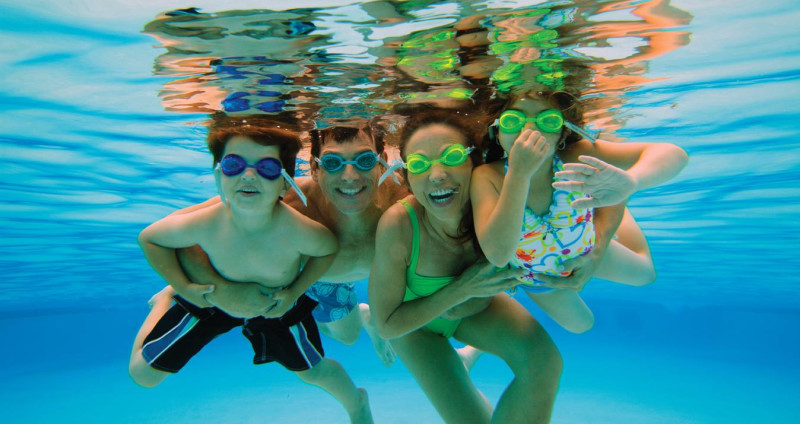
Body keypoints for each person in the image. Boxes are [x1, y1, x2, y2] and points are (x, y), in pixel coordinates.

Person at [128, 123, 373, 424]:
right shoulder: (206, 221)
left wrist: (294, 292)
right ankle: (163, 301)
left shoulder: (296, 228)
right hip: (209, 298)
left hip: (276, 307)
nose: (248, 175)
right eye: (234, 165)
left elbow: (327, 249)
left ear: (285, 183)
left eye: (267, 167)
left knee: (313, 371)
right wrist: (182, 286)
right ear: (218, 176)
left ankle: (356, 403)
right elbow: (149, 238)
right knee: (143, 375)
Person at [369, 109, 562, 424]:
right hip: (414, 326)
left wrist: (573, 271)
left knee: (544, 362)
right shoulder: (399, 224)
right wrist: (462, 288)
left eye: (453, 156)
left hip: (473, 309)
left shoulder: (499, 203)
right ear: (405, 176)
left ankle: (462, 358)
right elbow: (388, 326)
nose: (437, 175)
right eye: (419, 164)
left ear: (476, 160)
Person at [175, 120, 406, 366]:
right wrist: (221, 291)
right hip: (318, 279)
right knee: (348, 337)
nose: (350, 177)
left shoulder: (407, 194)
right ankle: (363, 315)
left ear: (382, 162)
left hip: (378, 275)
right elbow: (176, 232)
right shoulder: (290, 200)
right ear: (314, 169)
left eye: (365, 160)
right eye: (331, 162)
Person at [471, 87, 689, 333]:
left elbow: (674, 154)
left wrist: (633, 182)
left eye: (548, 120)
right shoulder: (487, 177)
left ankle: (614, 203)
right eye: (514, 120)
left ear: (562, 132)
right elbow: (498, 255)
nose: (529, 131)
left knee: (646, 274)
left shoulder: (575, 155)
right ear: (497, 130)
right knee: (582, 325)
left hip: (587, 247)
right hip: (537, 277)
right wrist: (520, 173)